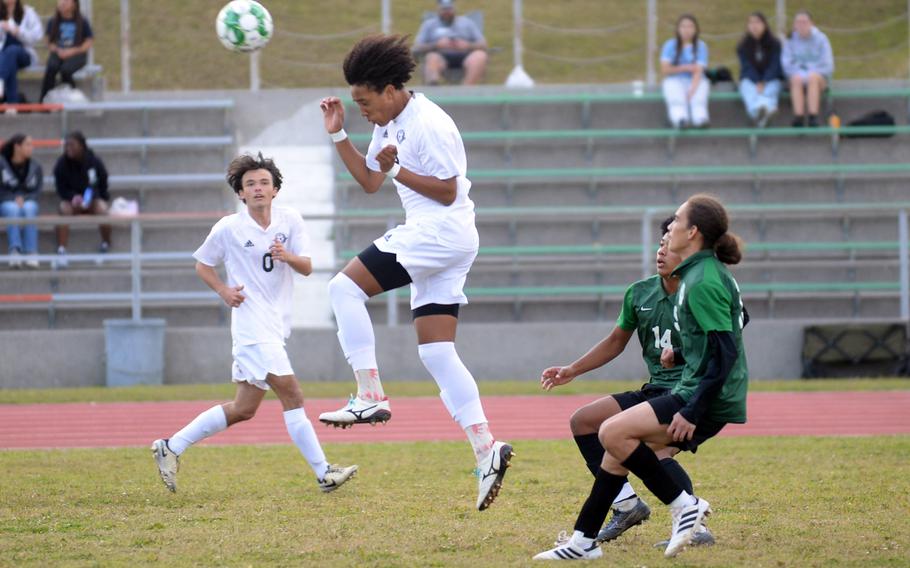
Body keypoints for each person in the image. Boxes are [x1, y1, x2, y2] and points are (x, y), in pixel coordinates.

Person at [319, 34, 513, 511]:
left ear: (389, 90)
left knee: (343, 288)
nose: (363, 110)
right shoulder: (389, 120)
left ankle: (369, 393)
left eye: (364, 103)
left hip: (440, 229)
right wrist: (339, 133)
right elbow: (369, 181)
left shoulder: (428, 122)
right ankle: (487, 448)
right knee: (437, 352)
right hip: (445, 238)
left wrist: (399, 169)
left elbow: (447, 191)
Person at [533, 194, 748, 560]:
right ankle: (584, 542)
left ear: (692, 234)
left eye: (672, 229)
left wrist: (693, 408)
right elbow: (705, 342)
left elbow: (727, 343)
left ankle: (686, 508)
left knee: (618, 436)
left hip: (697, 392)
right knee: (611, 443)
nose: (663, 242)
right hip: (677, 388)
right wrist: (573, 369)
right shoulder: (663, 286)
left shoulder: (700, 282)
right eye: (662, 238)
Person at [151, 153, 358, 494]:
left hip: (276, 325)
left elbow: (306, 267)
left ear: (275, 189)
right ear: (241, 194)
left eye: (264, 182)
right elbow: (203, 264)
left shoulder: (290, 220)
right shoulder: (229, 228)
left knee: (244, 408)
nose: (258, 188)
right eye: (250, 184)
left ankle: (170, 447)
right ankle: (324, 473)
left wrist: (286, 256)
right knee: (293, 393)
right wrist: (223, 291)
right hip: (251, 324)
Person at [53, 130, 111, 265]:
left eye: (72, 145)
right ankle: (62, 250)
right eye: (66, 146)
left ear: (82, 145)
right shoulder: (61, 164)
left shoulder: (94, 161)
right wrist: (72, 197)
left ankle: (106, 243)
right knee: (63, 208)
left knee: (102, 208)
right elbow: (60, 187)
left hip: (92, 200)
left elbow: (103, 180)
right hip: (72, 202)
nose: (68, 148)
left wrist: (97, 196)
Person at [413, 0, 488, 86]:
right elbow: (417, 46)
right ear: (439, 10)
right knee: (431, 57)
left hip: (466, 56)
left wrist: (467, 45)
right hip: (440, 56)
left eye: (449, 9)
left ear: (454, 9)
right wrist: (437, 45)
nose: (447, 12)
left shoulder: (467, 23)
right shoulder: (429, 25)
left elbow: (483, 44)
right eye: (444, 9)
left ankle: (466, 91)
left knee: (480, 56)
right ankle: (433, 90)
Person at [782, 10, 833, 128]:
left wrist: (809, 70)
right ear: (794, 24)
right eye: (798, 22)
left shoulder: (821, 39)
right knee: (796, 78)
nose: (801, 25)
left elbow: (828, 65)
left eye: (804, 22)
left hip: (819, 79)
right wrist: (800, 72)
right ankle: (798, 117)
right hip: (798, 77)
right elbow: (786, 64)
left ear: (811, 23)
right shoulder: (790, 40)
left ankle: (813, 116)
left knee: (812, 78)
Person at [660, 14, 710, 129]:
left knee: (698, 100)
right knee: (676, 100)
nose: (686, 30)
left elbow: (698, 70)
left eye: (690, 26)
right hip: (674, 79)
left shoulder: (701, 46)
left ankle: (701, 120)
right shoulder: (669, 45)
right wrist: (685, 68)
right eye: (683, 26)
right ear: (678, 29)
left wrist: (692, 90)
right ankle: (680, 120)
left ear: (696, 29)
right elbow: (665, 69)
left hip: (696, 80)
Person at [0, 133, 42, 268]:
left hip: (28, 200)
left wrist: (24, 198)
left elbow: (37, 191)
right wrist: (13, 198)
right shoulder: (1, 164)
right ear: (17, 147)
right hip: (5, 200)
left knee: (29, 208)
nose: (32, 148)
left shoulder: (36, 167)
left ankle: (31, 252)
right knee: (13, 208)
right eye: (28, 145)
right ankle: (15, 251)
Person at [40, 0, 93, 102]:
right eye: (60, 1)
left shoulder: (82, 21)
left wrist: (73, 51)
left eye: (66, 1)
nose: (62, 3)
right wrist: (56, 49)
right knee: (51, 67)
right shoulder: (53, 21)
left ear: (74, 4)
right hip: (58, 52)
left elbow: (89, 41)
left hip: (77, 54)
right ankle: (44, 101)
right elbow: (48, 40)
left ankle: (72, 99)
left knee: (66, 70)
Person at [737, 12, 783, 127]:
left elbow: (775, 65)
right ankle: (768, 110)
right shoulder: (742, 46)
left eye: (757, 22)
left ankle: (757, 114)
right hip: (751, 80)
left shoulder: (775, 44)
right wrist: (757, 81)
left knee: (770, 89)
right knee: (747, 87)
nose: (754, 26)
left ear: (765, 25)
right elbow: (746, 67)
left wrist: (764, 81)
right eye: (751, 22)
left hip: (771, 79)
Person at [0, 0, 43, 105]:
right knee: (10, 62)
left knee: (12, 50)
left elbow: (37, 35)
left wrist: (18, 31)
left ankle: (0, 81)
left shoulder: (28, 13)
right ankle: (12, 105)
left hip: (24, 55)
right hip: (3, 58)